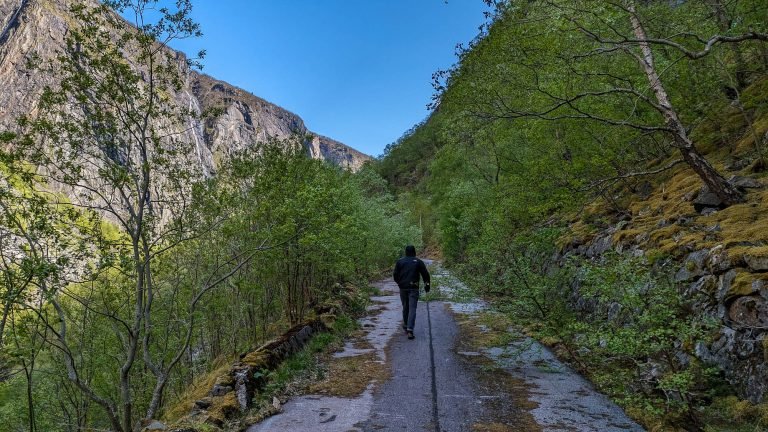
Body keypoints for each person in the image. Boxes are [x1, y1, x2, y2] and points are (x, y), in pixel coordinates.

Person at [392, 245, 431, 340]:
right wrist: (427, 285)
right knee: (412, 308)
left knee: (405, 307)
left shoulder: (400, 262)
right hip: (414, 287)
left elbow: (395, 274)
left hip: (403, 287)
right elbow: (425, 275)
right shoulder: (418, 262)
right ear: (414, 252)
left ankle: (406, 325)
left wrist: (399, 283)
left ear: (406, 252)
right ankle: (410, 329)